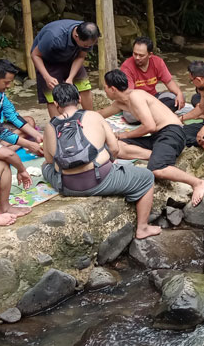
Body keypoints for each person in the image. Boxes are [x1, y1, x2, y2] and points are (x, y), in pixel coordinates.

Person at [41, 83, 163, 238]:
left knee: (45, 166)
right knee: (146, 178)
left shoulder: (50, 126)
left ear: (56, 104)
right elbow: (114, 148)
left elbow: (49, 160)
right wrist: (110, 161)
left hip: (66, 185)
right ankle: (143, 228)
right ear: (78, 98)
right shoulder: (94, 116)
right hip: (100, 180)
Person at [100, 69, 204, 204]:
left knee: (157, 169)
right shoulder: (119, 103)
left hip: (172, 132)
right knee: (115, 146)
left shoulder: (136, 96)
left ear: (113, 89)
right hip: (156, 136)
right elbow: (100, 113)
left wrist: (125, 134)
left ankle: (197, 183)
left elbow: (149, 126)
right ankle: (156, 155)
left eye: (105, 88)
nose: (104, 91)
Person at [31, 19, 99, 117]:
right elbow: (35, 55)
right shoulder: (53, 37)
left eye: (90, 45)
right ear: (76, 36)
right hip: (47, 60)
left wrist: (70, 77)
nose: (87, 47)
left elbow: (80, 56)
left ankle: (90, 118)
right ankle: (59, 126)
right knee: (53, 93)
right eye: (85, 45)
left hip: (72, 57)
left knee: (84, 86)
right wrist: (47, 77)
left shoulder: (88, 35)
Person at [117, 36, 185, 115]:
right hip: (137, 102)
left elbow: (169, 81)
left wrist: (179, 93)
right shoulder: (126, 67)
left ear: (150, 55)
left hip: (153, 98)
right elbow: (129, 94)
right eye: (135, 54)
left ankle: (151, 114)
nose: (137, 58)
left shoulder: (158, 62)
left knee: (179, 97)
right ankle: (158, 113)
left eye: (141, 55)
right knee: (129, 115)